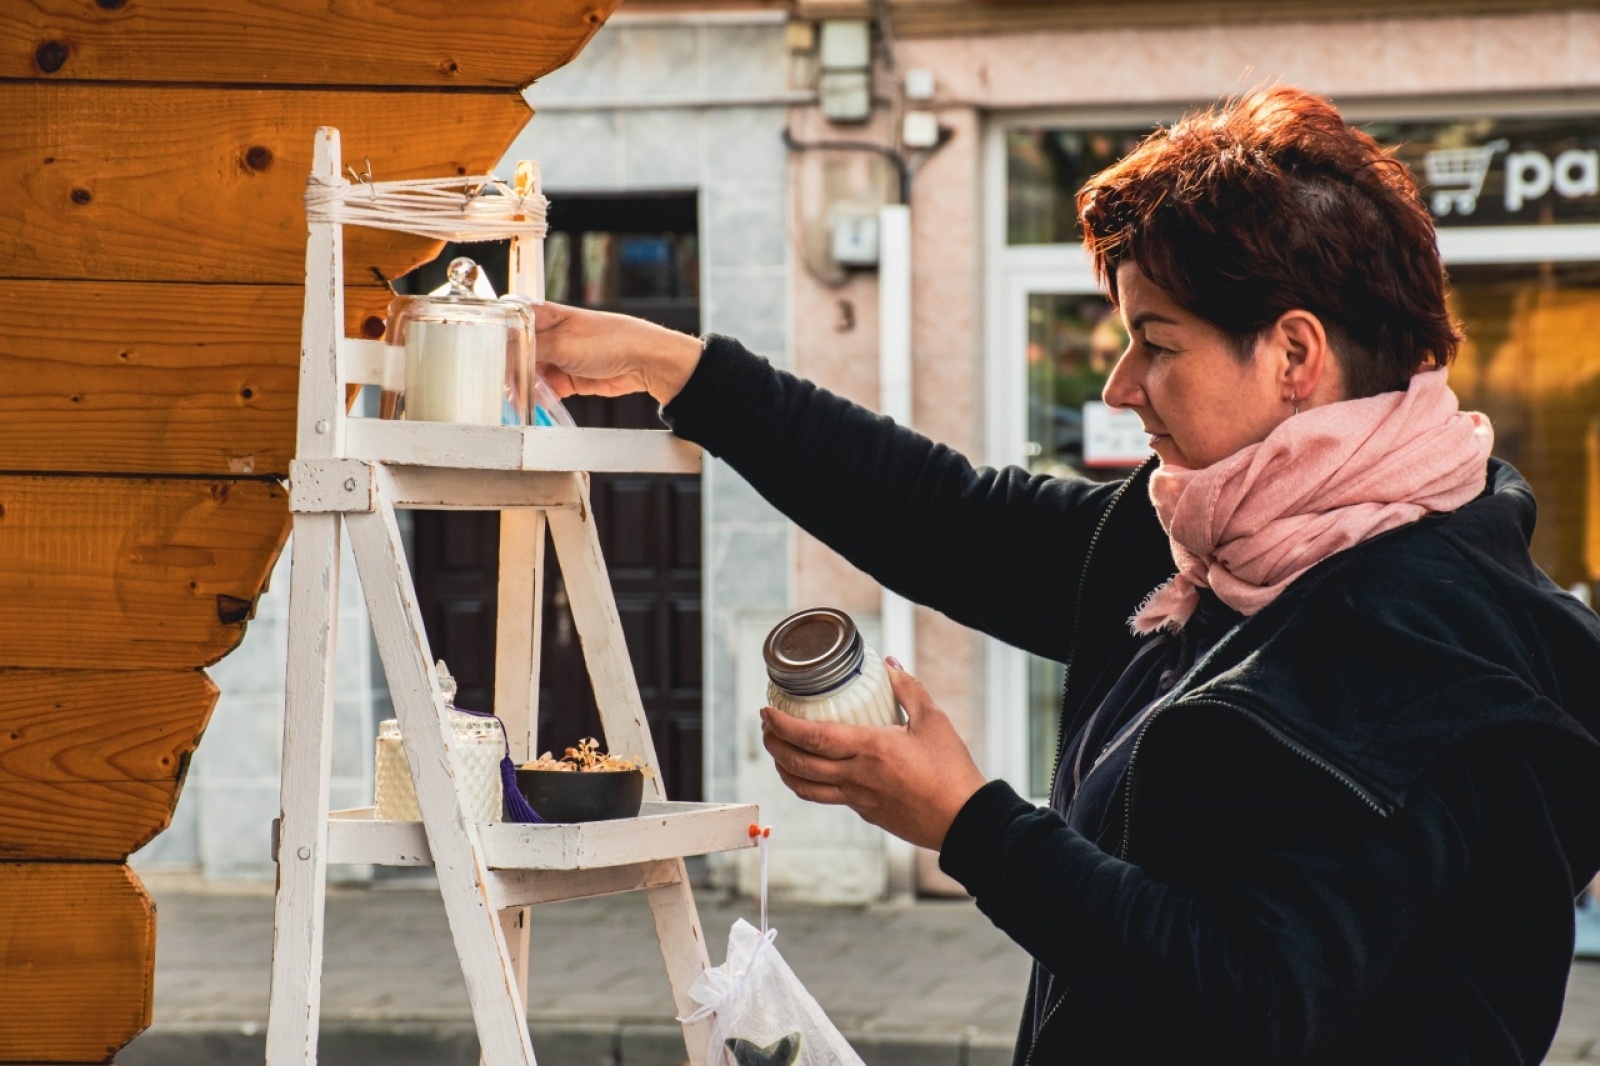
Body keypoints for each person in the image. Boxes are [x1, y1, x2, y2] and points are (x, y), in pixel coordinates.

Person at [534, 87, 1600, 1064]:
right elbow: (941, 516)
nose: (1120, 383)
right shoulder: (1207, 537)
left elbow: (1246, 995)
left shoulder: (1420, 642)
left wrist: (968, 824)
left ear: (1292, 355)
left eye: (1157, 342)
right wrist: (677, 367)